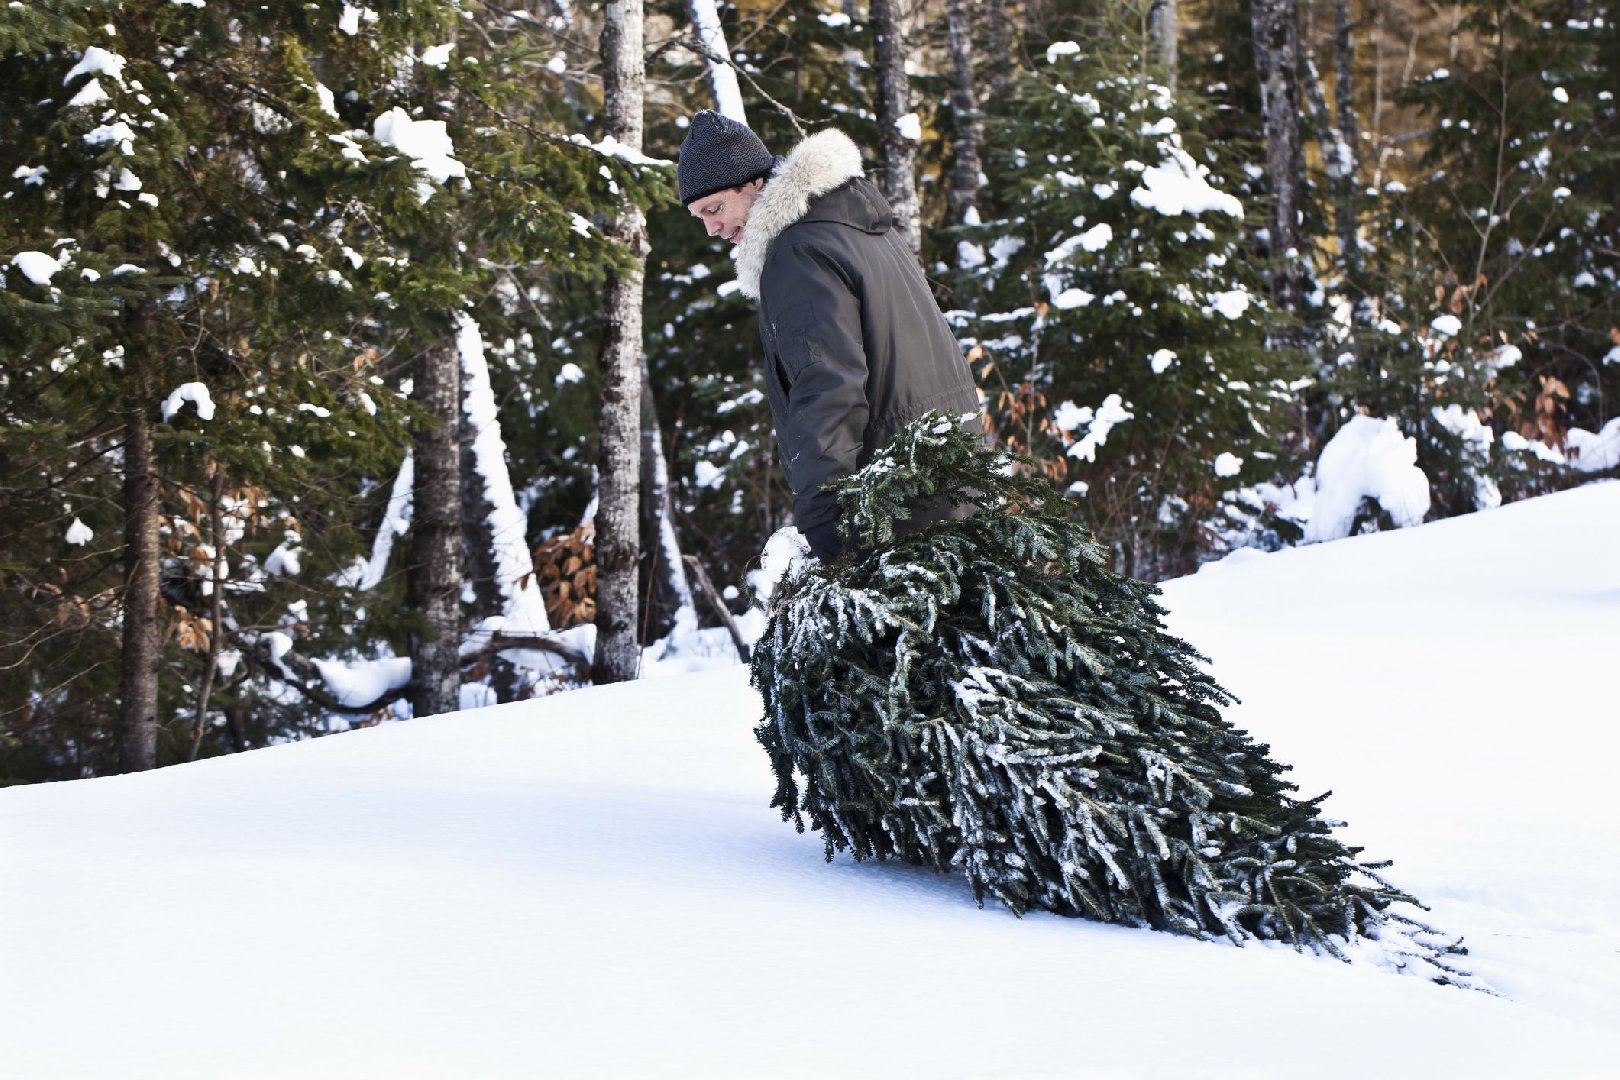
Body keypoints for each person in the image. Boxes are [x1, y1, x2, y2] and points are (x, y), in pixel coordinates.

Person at [676, 110, 981, 562]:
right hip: (951, 468)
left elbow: (828, 387)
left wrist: (826, 523)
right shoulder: (853, 226)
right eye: (699, 217)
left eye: (714, 209)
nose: (711, 229)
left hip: (894, 498)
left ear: (753, 184)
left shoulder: (797, 252)